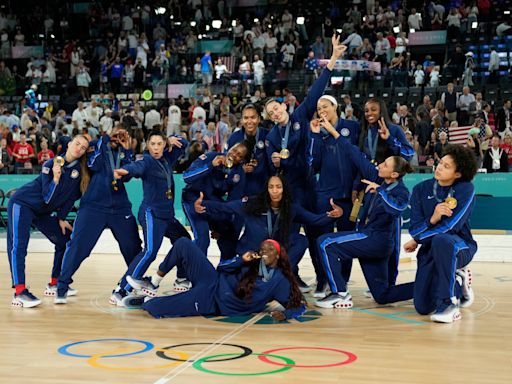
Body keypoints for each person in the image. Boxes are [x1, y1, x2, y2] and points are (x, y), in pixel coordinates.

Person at [194, 174, 342, 288]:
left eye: (278, 187)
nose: (275, 191)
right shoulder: (252, 203)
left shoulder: (291, 208)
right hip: (250, 253)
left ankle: (281, 275)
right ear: (267, 189)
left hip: (272, 255)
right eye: (271, 187)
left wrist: (334, 215)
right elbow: (226, 207)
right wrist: (203, 205)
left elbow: (314, 220)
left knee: (300, 239)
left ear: (284, 189)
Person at [315, 142, 414, 309]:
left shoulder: (400, 191)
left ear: (394, 174)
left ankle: (340, 293)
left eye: (385, 165)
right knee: (382, 295)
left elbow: (396, 209)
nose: (380, 166)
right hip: (372, 242)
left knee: (325, 243)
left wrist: (382, 192)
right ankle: (436, 284)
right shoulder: (381, 184)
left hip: (375, 240)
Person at [55, 126, 142, 304]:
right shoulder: (96, 145)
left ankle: (136, 283)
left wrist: (127, 150)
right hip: (93, 207)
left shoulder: (123, 152)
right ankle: (61, 286)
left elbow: (126, 176)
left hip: (120, 208)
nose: (119, 137)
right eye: (116, 133)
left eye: (122, 135)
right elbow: (92, 164)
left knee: (133, 247)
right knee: (79, 247)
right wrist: (105, 139)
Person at [124, 238, 306, 321]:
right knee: (183, 244)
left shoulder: (279, 280)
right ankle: (153, 282)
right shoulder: (251, 263)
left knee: (156, 308)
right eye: (263, 248)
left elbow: (298, 305)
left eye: (270, 249)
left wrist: (286, 315)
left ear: (279, 255)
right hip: (212, 279)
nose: (265, 251)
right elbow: (221, 268)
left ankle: (145, 301)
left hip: (212, 301)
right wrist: (240, 260)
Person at [264, 35, 347, 206]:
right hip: (290, 186)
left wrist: (333, 59)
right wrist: (275, 161)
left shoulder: (300, 116)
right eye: (271, 113)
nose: (275, 114)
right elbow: (272, 168)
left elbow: (315, 92)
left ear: (284, 106)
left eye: (276, 109)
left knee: (314, 225)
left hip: (310, 180)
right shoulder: (272, 136)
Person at [8, 135, 90, 308]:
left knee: (64, 239)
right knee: (19, 246)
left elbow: (70, 200)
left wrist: (61, 219)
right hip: (22, 204)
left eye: (83, 147)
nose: (79, 148)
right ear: (69, 144)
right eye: (77, 144)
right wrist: (55, 179)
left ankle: (55, 283)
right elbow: (47, 197)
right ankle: (20, 292)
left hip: (42, 212)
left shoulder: (79, 173)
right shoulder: (50, 164)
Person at [110, 131, 190, 301]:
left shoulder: (167, 158)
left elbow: (184, 144)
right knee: (150, 251)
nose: (155, 148)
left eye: (159, 144)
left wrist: (170, 140)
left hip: (167, 215)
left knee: (184, 239)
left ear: (164, 145)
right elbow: (136, 168)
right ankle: (121, 290)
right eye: (152, 144)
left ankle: (181, 278)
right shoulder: (147, 161)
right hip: (151, 213)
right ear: (147, 145)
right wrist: (125, 170)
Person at [404, 145, 478, 323]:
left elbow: (451, 227)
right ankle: (458, 282)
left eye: (446, 166)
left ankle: (449, 304)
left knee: (442, 239)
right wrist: (433, 218)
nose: (439, 167)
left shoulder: (465, 189)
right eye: (440, 162)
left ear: (458, 174)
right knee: (423, 307)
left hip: (460, 246)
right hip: (430, 247)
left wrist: (418, 239)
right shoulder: (420, 189)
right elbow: (414, 229)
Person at [307, 95, 361, 296]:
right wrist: (314, 136)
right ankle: (322, 280)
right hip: (325, 194)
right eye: (319, 108)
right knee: (320, 239)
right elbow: (314, 165)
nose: (322, 111)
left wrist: (356, 186)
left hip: (348, 195)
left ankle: (342, 281)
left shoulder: (352, 127)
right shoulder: (318, 133)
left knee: (345, 241)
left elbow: (358, 158)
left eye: (325, 107)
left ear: (335, 107)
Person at [181, 142, 248, 261]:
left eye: (239, 155)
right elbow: (187, 177)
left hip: (211, 204)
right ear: (229, 148)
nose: (234, 155)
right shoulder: (211, 156)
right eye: (234, 150)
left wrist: (220, 227)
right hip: (192, 199)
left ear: (241, 161)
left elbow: (233, 202)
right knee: (202, 239)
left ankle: (225, 269)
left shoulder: (238, 173)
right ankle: (195, 274)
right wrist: (210, 165)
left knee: (229, 231)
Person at [227, 104, 269, 195]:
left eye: (253, 117)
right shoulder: (234, 138)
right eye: (246, 118)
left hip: (262, 189)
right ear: (241, 120)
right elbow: (227, 164)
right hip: (239, 190)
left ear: (259, 119)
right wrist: (240, 170)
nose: (249, 121)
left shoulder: (267, 136)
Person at [358, 98, 414, 165]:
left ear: (381, 111)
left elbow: (409, 154)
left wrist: (389, 139)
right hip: (367, 174)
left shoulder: (394, 129)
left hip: (388, 174)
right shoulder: (362, 130)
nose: (369, 113)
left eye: (373, 110)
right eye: (366, 111)